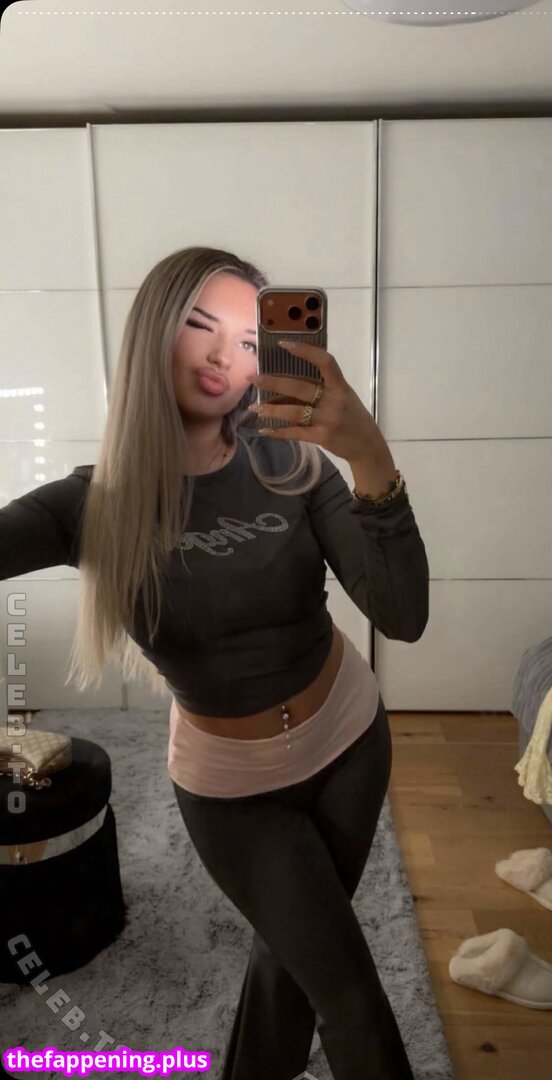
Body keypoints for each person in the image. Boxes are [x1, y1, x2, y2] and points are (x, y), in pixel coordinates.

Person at [0, 246, 429, 1080]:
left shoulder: (297, 468)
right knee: (348, 993)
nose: (222, 356)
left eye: (248, 339)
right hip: (233, 789)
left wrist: (368, 452)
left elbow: (402, 617)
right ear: (153, 334)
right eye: (201, 326)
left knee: (298, 957)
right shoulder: (92, 507)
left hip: (350, 741)